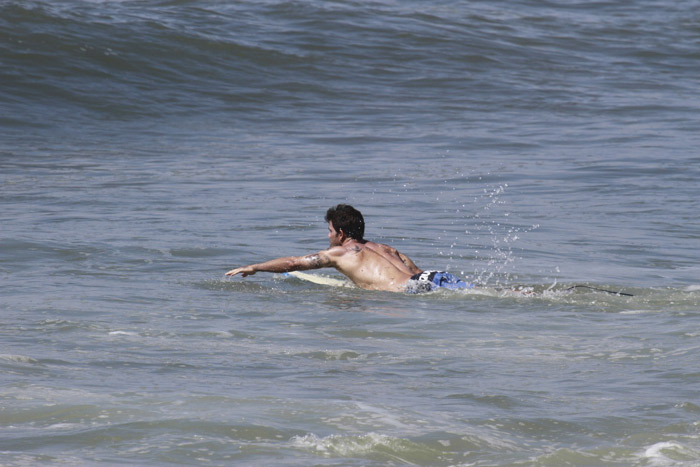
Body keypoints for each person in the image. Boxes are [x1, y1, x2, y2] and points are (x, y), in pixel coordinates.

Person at [225, 204, 474, 293]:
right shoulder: (385, 247)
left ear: (341, 234)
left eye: (330, 231)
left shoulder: (341, 253)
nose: (328, 235)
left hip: (412, 290)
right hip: (431, 277)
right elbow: (417, 271)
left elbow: (293, 263)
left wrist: (255, 267)